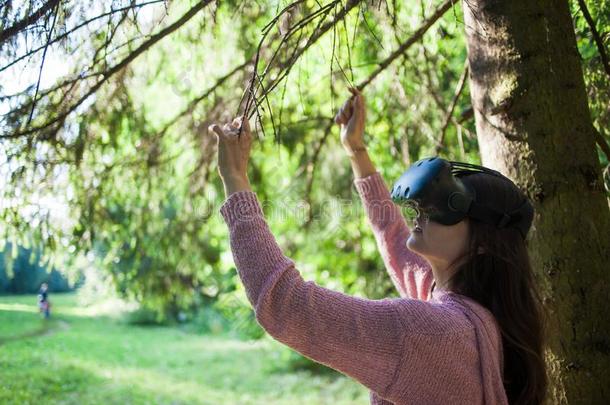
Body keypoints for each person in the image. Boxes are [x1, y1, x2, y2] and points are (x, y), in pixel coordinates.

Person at [209, 86, 548, 405]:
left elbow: (285, 305)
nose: (423, 211)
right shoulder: (474, 322)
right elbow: (395, 238)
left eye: (448, 207)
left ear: (483, 246)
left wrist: (235, 180)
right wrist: (356, 150)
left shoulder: (430, 333)